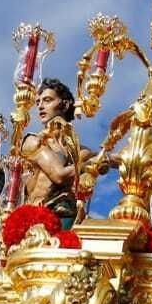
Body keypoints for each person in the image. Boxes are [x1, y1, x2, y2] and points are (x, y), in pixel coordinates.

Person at [21, 78, 88, 227]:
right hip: (36, 220)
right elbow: (59, 175)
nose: (40, 106)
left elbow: (109, 157)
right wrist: (89, 162)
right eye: (38, 102)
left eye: (47, 100)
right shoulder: (34, 141)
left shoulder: (77, 150)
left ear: (64, 105)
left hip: (67, 218)